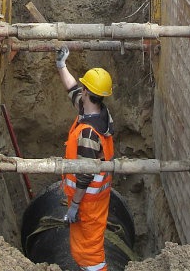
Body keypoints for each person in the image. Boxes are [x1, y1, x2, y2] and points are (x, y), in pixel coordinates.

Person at [55, 46, 115, 271]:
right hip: (93, 199)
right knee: (82, 250)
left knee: (89, 253)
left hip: (88, 202)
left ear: (89, 92)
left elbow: (85, 173)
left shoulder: (89, 133)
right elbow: (72, 89)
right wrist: (61, 66)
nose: (81, 90)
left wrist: (75, 206)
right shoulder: (98, 112)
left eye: (84, 88)